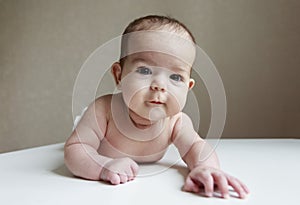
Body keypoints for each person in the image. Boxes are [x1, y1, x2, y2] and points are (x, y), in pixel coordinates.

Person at [64, 15, 250, 199]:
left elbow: (196, 146)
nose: (160, 85)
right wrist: (103, 166)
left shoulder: (176, 121)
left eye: (175, 77)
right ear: (119, 76)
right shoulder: (103, 110)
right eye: (145, 70)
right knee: (82, 132)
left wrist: (205, 168)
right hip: (96, 142)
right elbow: (76, 150)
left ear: (188, 87)